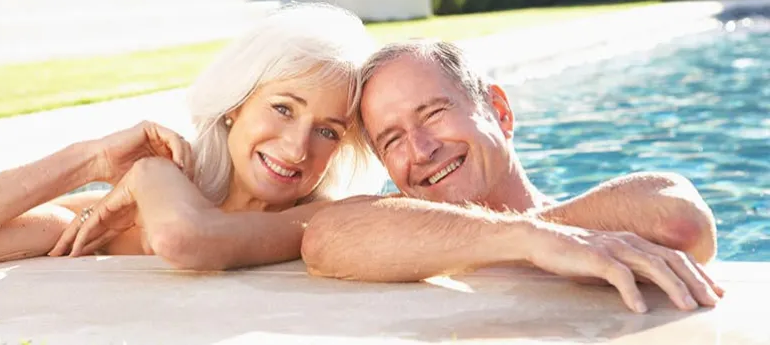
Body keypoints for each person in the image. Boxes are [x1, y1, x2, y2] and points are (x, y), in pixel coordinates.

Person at [298, 39, 724, 314]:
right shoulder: (396, 232)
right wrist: (529, 241)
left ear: (499, 112)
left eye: (433, 113)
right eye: (392, 140)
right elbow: (322, 239)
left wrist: (539, 233)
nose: (422, 150)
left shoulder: (590, 221)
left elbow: (679, 219)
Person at [0, 2, 383, 268]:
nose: (296, 148)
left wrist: (150, 174)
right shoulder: (116, 213)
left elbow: (184, 237)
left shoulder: (320, 221)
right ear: (235, 104)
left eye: (328, 131)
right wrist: (89, 160)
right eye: (282, 108)